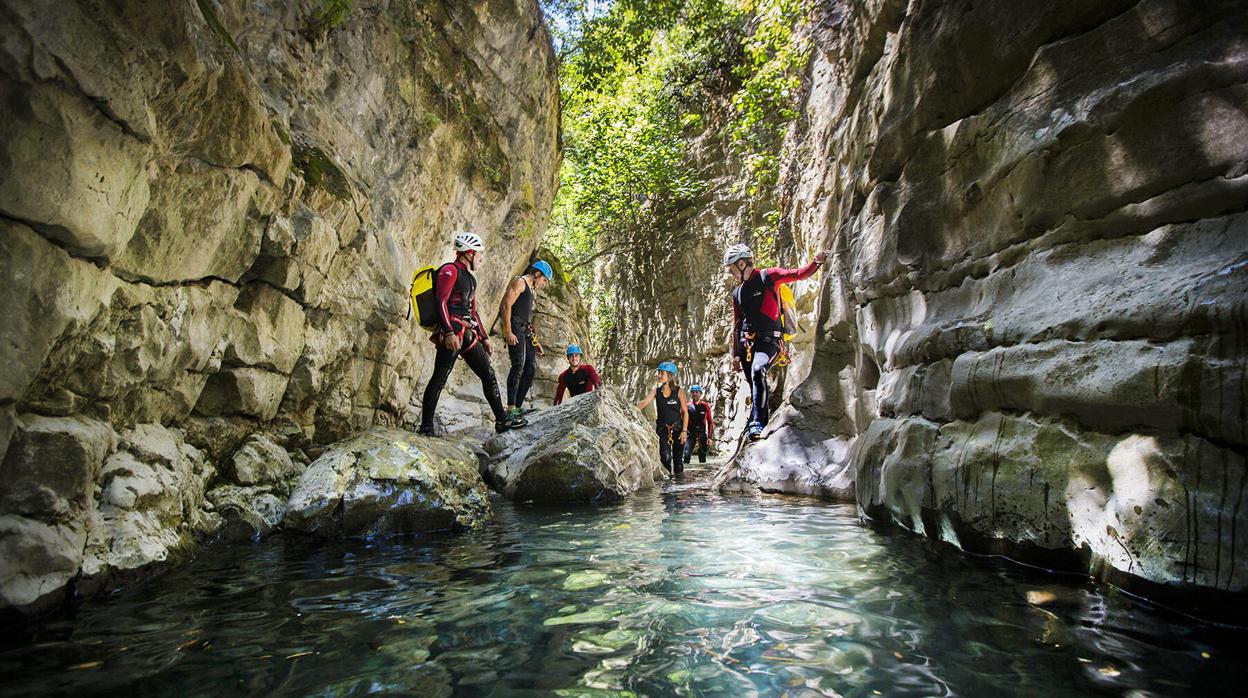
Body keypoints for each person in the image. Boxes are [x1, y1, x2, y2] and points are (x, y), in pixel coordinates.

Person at [420, 231, 527, 435]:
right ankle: (426, 427)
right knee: (439, 378)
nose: (481, 258)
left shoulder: (470, 279)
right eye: (479, 253)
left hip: (467, 334)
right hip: (452, 334)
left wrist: (485, 338)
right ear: (469, 253)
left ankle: (502, 421)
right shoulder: (449, 271)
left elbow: (473, 312)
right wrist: (449, 332)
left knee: (488, 374)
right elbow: (441, 301)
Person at [723, 244, 828, 441]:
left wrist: (816, 262)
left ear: (742, 263)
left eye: (732, 268)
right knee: (753, 380)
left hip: (769, 341)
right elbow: (737, 324)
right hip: (747, 343)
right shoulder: (737, 293)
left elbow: (797, 274)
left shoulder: (768, 276)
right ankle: (756, 417)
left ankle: (758, 423)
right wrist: (736, 354)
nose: (730, 273)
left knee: (757, 370)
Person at [499, 260, 552, 420]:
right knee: (518, 365)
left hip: (526, 332)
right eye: (544, 280)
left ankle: (519, 407)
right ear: (537, 274)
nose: (543, 284)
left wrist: (536, 342)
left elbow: (526, 318)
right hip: (514, 329)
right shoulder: (520, 282)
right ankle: (510, 408)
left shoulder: (530, 289)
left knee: (530, 368)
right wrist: (507, 331)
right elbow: (506, 305)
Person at [636, 361, 688, 475]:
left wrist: (684, 431)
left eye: (662, 373)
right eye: (658, 373)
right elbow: (644, 403)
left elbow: (685, 412)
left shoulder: (679, 391)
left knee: (678, 461)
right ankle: (668, 488)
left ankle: (678, 488)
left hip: (678, 429)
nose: (659, 375)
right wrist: (630, 409)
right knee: (665, 458)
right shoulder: (656, 391)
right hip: (662, 430)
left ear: (670, 375)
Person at [683, 385, 714, 465]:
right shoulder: (688, 406)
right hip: (690, 435)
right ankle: (685, 475)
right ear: (691, 394)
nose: (695, 394)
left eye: (696, 392)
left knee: (702, 458)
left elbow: (710, 422)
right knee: (686, 455)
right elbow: (683, 421)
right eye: (693, 392)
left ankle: (702, 475)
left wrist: (710, 437)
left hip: (702, 434)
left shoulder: (705, 405)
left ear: (700, 393)